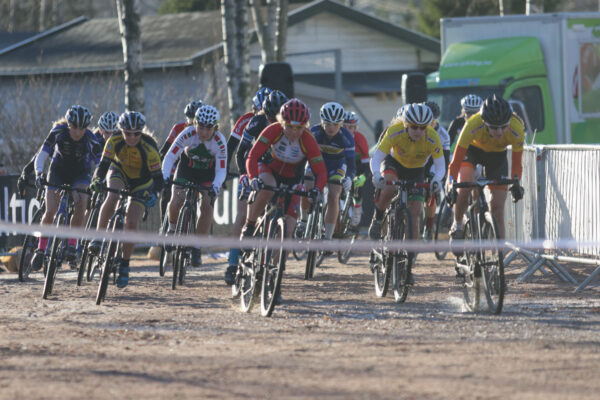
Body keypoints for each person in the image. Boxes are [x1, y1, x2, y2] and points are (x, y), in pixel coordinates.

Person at [242, 98, 327, 304]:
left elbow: (320, 171)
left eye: (299, 127)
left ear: (305, 126)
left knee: (288, 231)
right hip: (268, 170)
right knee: (265, 191)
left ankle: (276, 280)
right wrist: (253, 178)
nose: (294, 132)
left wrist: (316, 189)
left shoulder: (308, 139)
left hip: (292, 179)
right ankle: (250, 226)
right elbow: (252, 157)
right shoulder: (272, 130)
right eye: (289, 126)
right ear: (282, 122)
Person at [368, 103, 445, 282]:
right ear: (405, 124)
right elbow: (377, 157)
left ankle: (407, 265)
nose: (418, 131)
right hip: (393, 163)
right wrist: (376, 175)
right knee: (389, 187)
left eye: (422, 128)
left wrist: (435, 181)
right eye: (413, 127)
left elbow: (440, 166)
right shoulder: (395, 131)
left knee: (415, 213)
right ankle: (378, 218)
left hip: (416, 170)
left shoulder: (433, 137)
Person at [88, 111, 163, 288]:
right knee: (112, 195)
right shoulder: (113, 141)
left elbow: (159, 179)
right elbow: (103, 165)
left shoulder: (149, 148)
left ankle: (125, 265)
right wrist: (97, 180)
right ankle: (98, 238)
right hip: (119, 172)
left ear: (141, 132)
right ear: (120, 130)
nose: (131, 137)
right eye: (127, 133)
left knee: (131, 222)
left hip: (141, 182)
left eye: (136, 133)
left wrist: (154, 194)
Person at [224, 90, 288, 285]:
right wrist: (242, 174)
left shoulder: (288, 126)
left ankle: (270, 266)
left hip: (274, 171)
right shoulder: (250, 121)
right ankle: (233, 263)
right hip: (252, 168)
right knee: (243, 214)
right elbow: (237, 151)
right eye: (265, 113)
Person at [447, 94, 525, 246]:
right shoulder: (472, 124)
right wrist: (451, 184)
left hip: (497, 157)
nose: (500, 132)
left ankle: (499, 259)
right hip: (472, 151)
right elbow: (455, 162)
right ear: (484, 122)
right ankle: (458, 224)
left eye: (504, 126)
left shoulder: (517, 129)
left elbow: (516, 164)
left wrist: (516, 182)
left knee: (497, 208)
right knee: (465, 186)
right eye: (494, 128)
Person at [28, 105, 99, 271]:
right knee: (51, 210)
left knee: (81, 201)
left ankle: (72, 245)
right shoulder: (58, 132)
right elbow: (43, 154)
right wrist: (39, 174)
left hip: (80, 174)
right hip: (58, 171)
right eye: (74, 127)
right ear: (68, 125)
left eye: (82, 128)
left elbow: (101, 163)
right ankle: (41, 249)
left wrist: (98, 181)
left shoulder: (90, 139)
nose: (78, 132)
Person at [161, 105, 227, 267]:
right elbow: (170, 157)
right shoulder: (187, 133)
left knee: (207, 205)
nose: (203, 132)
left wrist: (216, 186)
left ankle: (196, 247)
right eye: (200, 127)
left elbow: (221, 169)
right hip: (186, 168)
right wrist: (165, 177)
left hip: (208, 173)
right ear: (195, 123)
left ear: (215, 128)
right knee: (176, 198)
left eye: (208, 128)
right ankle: (171, 229)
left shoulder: (220, 141)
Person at [224, 87, 271, 278]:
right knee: (242, 214)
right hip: (248, 168)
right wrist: (229, 172)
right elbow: (232, 148)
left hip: (269, 170)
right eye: (259, 111)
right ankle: (233, 261)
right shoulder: (246, 120)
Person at [298, 102, 355, 246]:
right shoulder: (313, 132)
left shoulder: (347, 137)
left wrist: (349, 177)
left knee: (334, 194)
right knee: (306, 187)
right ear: (322, 121)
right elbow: (303, 156)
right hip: (317, 164)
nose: (331, 128)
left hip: (336, 167)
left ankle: (328, 237)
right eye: (328, 124)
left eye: (336, 125)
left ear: (341, 124)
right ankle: (303, 221)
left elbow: (351, 163)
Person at [158, 100, 203, 262]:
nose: (192, 120)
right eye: (190, 117)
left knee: (197, 201)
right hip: (176, 163)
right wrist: (158, 169)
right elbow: (166, 149)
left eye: (194, 117)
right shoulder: (179, 128)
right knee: (167, 193)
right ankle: (166, 228)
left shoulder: (205, 132)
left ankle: (189, 232)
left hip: (196, 166)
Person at [422, 100, 450, 241]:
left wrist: (437, 177)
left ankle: (428, 226)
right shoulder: (418, 128)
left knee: (430, 192)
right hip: (420, 160)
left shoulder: (443, 135)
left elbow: (443, 161)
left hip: (435, 162)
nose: (430, 124)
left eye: (432, 121)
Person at [342, 111, 370, 228]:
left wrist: (364, 176)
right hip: (342, 164)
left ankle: (357, 208)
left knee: (356, 186)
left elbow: (367, 164)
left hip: (357, 166)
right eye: (347, 127)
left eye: (353, 127)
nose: (350, 130)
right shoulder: (338, 136)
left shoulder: (360, 138)